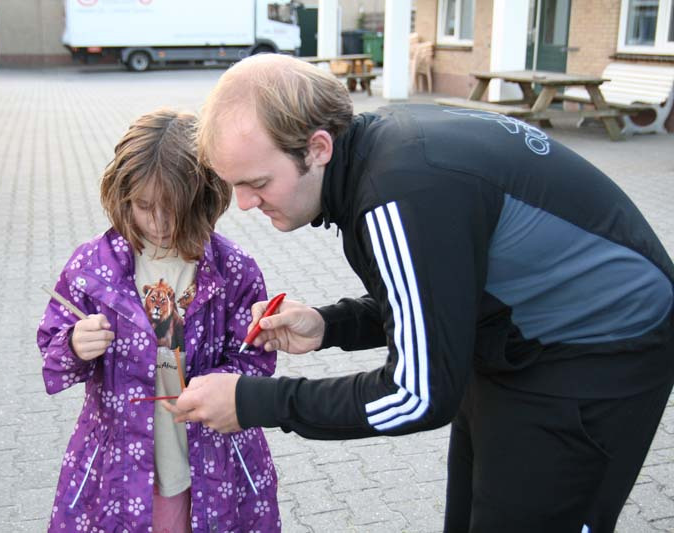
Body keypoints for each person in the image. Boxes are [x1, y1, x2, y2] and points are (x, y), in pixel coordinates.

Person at [167, 54, 674, 533]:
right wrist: (329, 325)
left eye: (257, 182)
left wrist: (253, 401)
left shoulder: (402, 192)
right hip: (520, 338)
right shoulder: (374, 156)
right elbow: (442, 296)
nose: (244, 204)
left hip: (602, 350)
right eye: (235, 185)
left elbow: (418, 395)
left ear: (318, 148)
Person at [37, 109, 280, 533]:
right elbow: (52, 352)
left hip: (213, 469)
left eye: (173, 208)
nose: (160, 222)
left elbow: (255, 359)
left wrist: (218, 386)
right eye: (145, 206)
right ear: (122, 195)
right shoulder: (93, 267)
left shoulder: (233, 270)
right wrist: (74, 344)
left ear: (202, 197)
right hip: (118, 471)